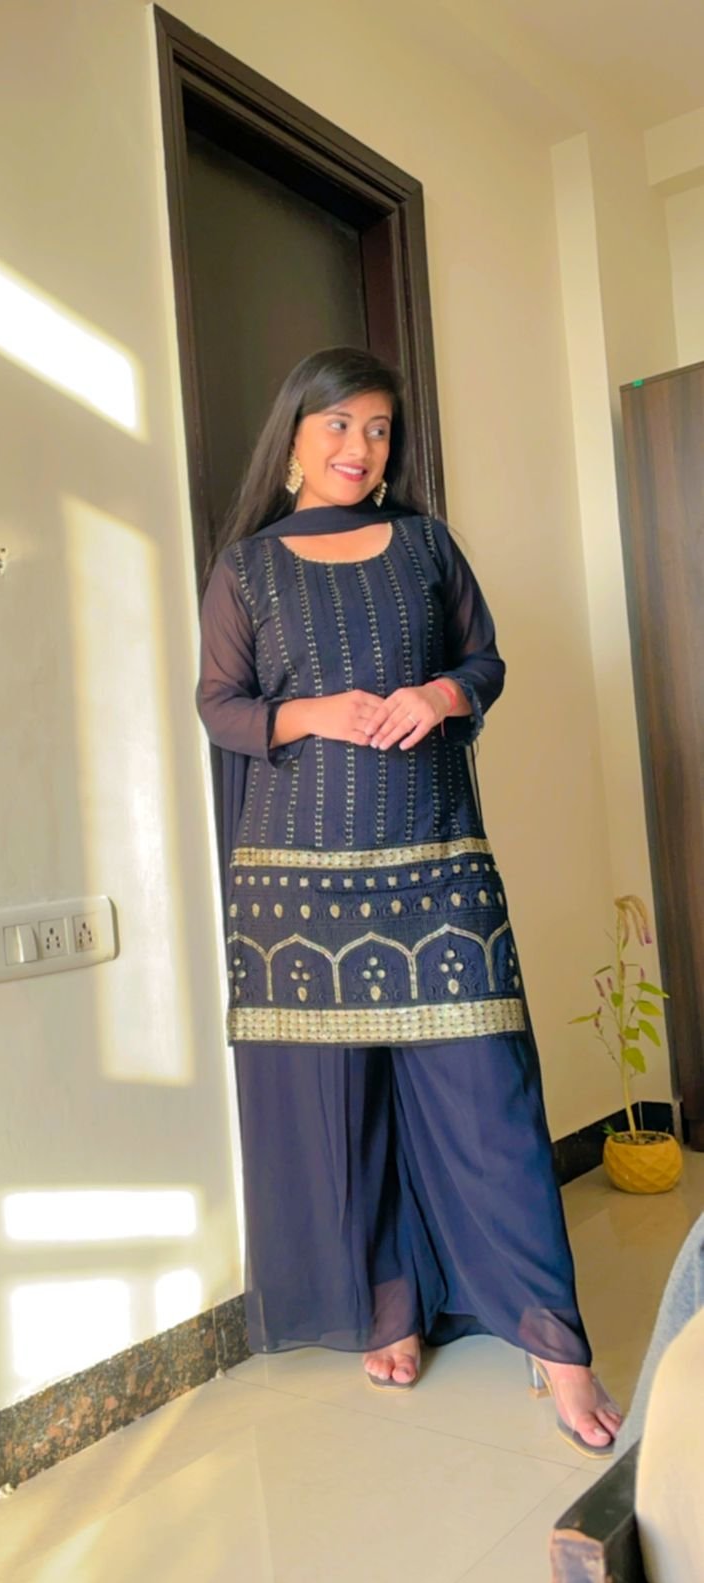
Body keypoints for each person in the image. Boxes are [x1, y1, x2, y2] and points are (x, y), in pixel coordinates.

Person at [196, 346, 622, 1456]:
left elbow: (485, 663)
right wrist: (314, 713)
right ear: (294, 438)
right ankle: (390, 1305)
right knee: (350, 1107)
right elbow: (221, 705)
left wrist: (438, 694)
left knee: (491, 1102)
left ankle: (558, 1345)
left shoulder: (428, 544)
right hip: (297, 882)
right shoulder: (247, 569)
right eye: (340, 425)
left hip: (435, 861)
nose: (360, 447)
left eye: (379, 428)